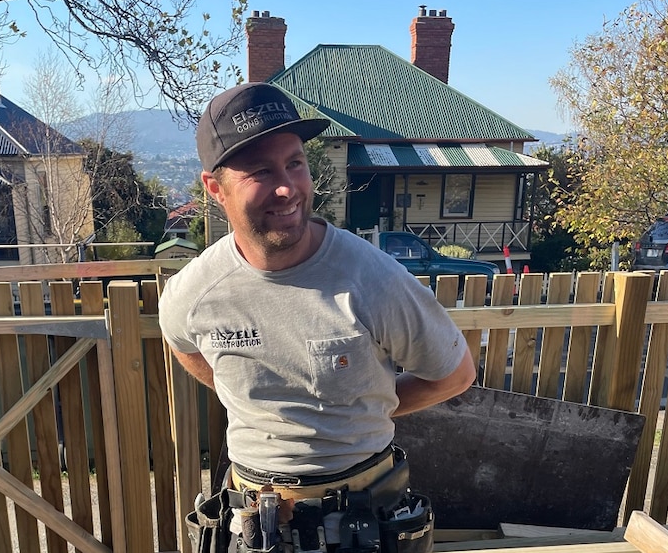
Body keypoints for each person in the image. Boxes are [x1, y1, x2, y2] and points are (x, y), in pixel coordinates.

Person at [158, 82, 475, 553]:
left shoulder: (373, 280)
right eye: (261, 171)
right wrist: (255, 406)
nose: (287, 187)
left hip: (364, 524)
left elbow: (455, 375)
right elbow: (182, 343)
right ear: (215, 189)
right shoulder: (196, 292)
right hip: (250, 524)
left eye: (295, 163)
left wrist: (364, 408)